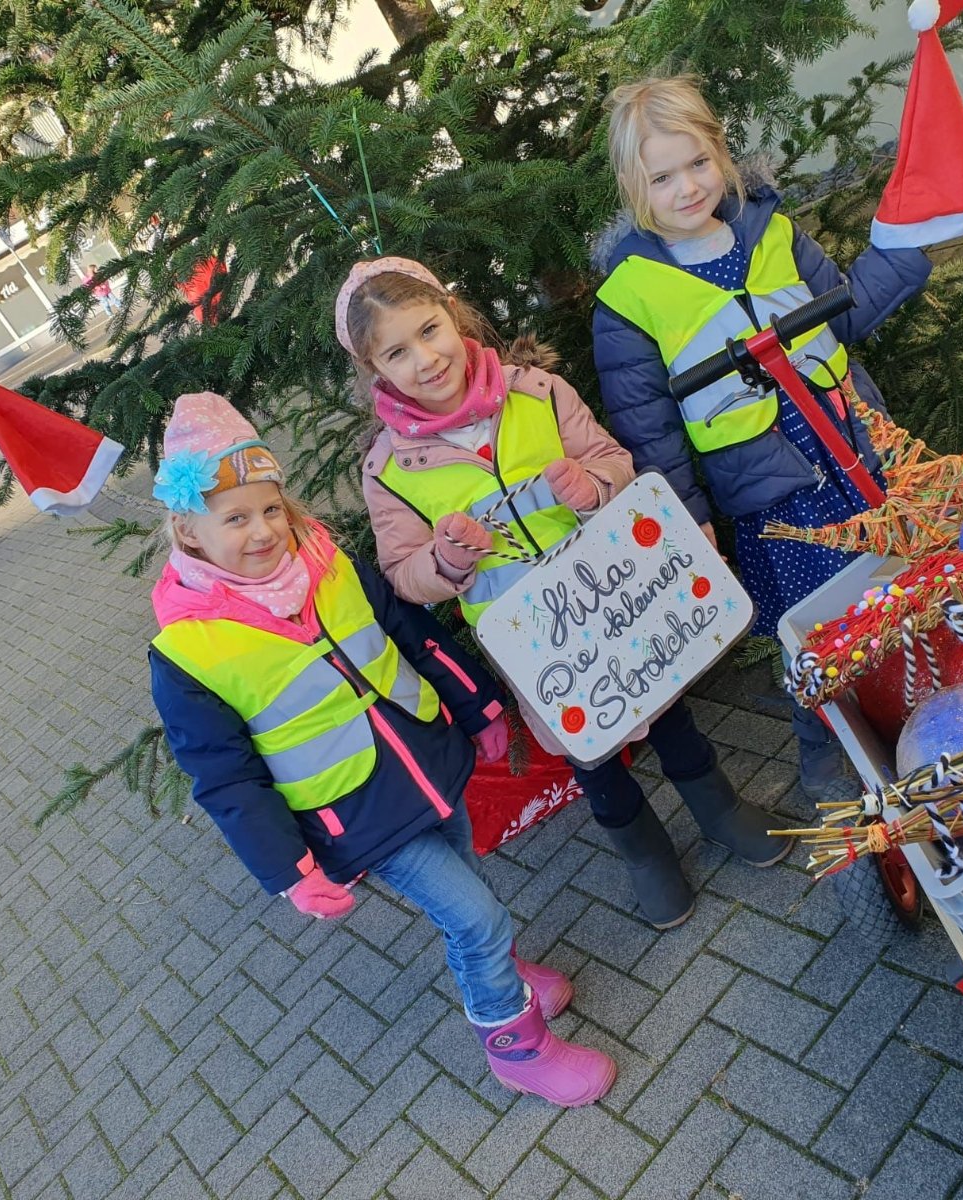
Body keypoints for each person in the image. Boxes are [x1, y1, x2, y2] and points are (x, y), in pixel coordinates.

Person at [147, 391, 615, 1108]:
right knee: (475, 916)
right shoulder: (186, 650)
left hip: (429, 758)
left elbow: (408, 631)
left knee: (471, 898)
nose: (263, 530)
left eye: (270, 508)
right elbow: (225, 779)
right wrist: (287, 870)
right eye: (234, 518)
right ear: (189, 531)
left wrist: (479, 704)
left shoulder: (327, 561)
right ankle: (516, 1045)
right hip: (357, 815)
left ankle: (501, 972)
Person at [337, 256, 789, 932]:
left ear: (454, 317)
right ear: (375, 371)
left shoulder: (537, 393)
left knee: (666, 713)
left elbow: (613, 460)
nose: (425, 359)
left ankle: (720, 811)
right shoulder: (389, 470)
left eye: (430, 331)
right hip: (538, 645)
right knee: (590, 751)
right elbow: (402, 572)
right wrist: (445, 559)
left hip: (615, 605)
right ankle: (645, 855)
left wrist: (593, 484)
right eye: (397, 353)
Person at [591, 76, 932, 803]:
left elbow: (842, 315)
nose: (687, 188)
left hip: (853, 451)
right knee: (815, 625)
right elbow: (648, 432)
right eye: (662, 176)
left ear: (720, 154)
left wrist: (902, 252)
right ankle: (825, 747)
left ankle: (924, 704)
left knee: (899, 577)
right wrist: (689, 527)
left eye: (698, 164)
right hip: (778, 492)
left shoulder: (772, 231)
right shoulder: (630, 298)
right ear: (633, 186)